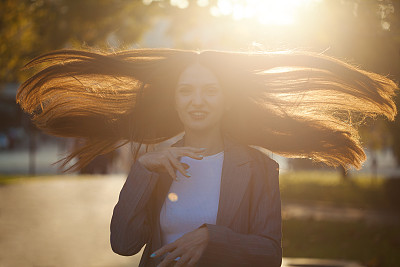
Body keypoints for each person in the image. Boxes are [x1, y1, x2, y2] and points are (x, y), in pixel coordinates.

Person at [17, 48, 398, 266]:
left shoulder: (259, 169)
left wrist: (212, 239)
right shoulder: (155, 164)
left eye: (210, 90)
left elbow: (270, 255)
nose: (197, 100)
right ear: (175, 99)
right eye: (186, 90)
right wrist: (140, 173)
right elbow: (123, 244)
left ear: (226, 98)